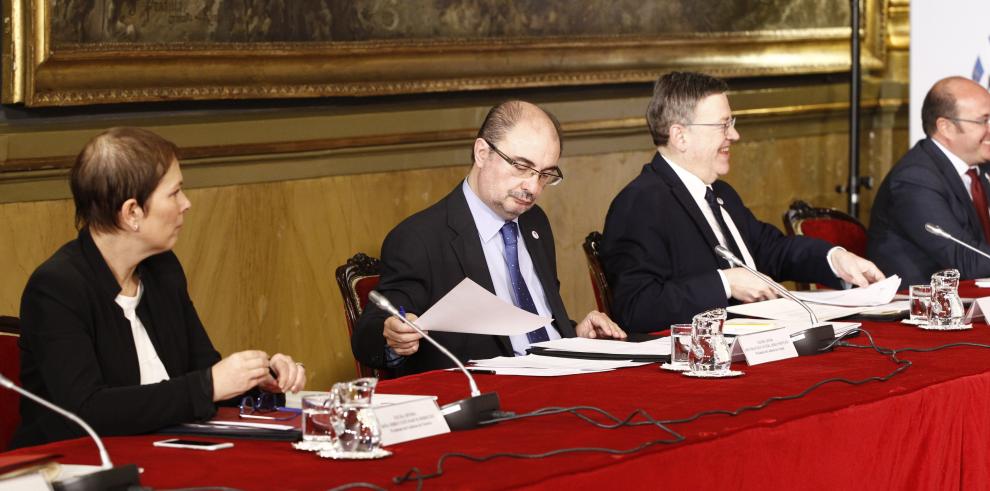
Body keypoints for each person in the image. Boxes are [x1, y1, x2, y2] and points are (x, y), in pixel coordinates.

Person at [12, 127, 306, 448]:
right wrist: (209, 386)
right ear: (131, 212)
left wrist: (259, 381)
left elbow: (202, 371)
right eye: (174, 193)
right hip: (77, 465)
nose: (187, 203)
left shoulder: (162, 269)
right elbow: (88, 411)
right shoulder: (57, 288)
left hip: (166, 451)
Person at [352, 100, 626, 376]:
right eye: (521, 166)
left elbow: (528, 321)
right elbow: (371, 332)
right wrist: (393, 334)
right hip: (487, 395)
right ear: (482, 153)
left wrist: (575, 334)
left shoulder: (535, 222)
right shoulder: (419, 238)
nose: (532, 187)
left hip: (562, 378)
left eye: (545, 175)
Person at [600, 71, 885, 333]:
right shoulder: (640, 203)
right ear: (680, 136)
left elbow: (773, 250)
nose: (734, 135)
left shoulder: (721, 193)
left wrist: (836, 258)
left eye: (731, 124)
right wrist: (726, 283)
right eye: (723, 126)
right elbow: (637, 307)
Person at [868, 77, 990, 286]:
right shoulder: (915, 179)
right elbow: (965, 259)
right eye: (984, 121)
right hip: (917, 308)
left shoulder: (980, 168)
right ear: (946, 127)